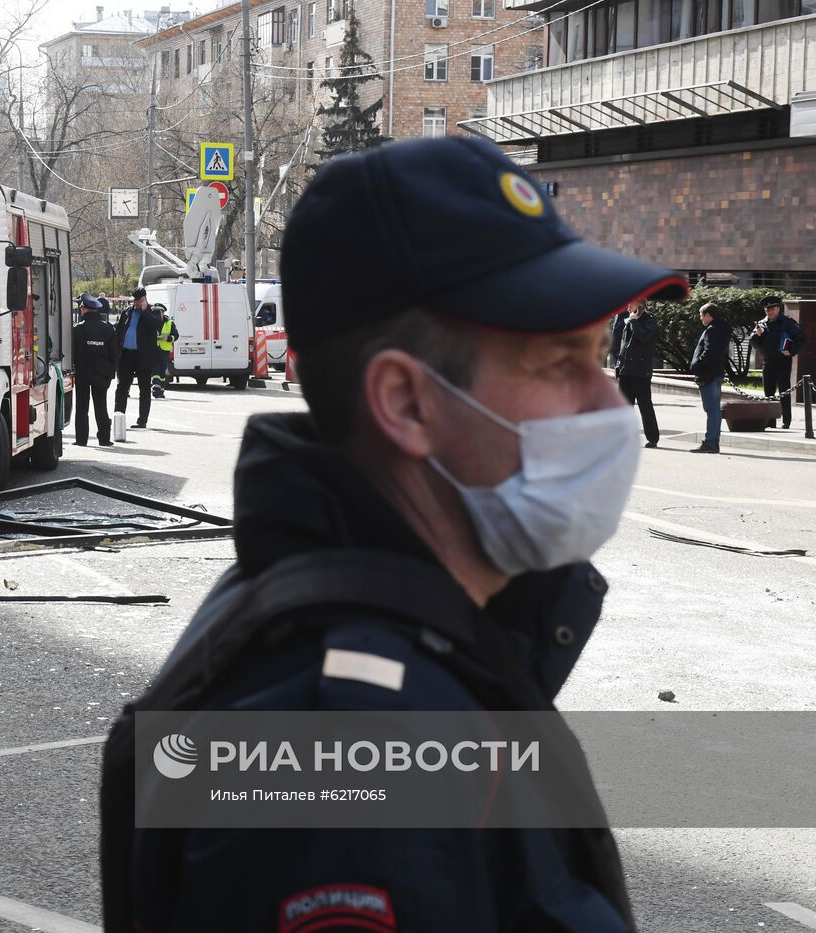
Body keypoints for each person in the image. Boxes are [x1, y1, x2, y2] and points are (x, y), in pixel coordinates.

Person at [103, 137, 690, 932]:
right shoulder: (342, 759)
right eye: (559, 364)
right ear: (406, 403)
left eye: (600, 356)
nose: (610, 407)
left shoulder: (381, 627)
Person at [73, 293, 120, 447]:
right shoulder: (108, 329)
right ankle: (104, 439)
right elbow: (115, 353)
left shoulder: (78, 329)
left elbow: (72, 352)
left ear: (85, 310)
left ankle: (81, 440)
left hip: (83, 373)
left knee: (82, 408)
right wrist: (109, 372)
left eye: (81, 308)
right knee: (101, 406)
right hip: (102, 374)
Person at [752, 295, 805, 429]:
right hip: (768, 361)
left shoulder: (787, 322)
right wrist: (756, 335)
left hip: (783, 361)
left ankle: (786, 421)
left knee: (784, 391)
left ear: (778, 308)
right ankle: (770, 421)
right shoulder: (762, 323)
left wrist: (791, 351)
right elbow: (754, 343)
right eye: (767, 309)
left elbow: (801, 338)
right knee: (768, 392)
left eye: (772, 308)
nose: (769, 312)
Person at [615, 301, 661, 448]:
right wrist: (619, 364)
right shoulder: (629, 319)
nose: (628, 306)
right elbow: (623, 344)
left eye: (631, 304)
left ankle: (653, 438)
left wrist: (634, 322)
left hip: (640, 371)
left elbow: (644, 337)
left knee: (645, 406)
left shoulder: (649, 320)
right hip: (625, 370)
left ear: (639, 306)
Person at [114, 287, 160, 429]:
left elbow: (156, 325)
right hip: (127, 355)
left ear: (144, 299)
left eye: (139, 301)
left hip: (143, 356)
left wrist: (145, 310)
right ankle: (118, 417)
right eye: (134, 301)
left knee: (144, 389)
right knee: (122, 387)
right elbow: (120, 329)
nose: (136, 304)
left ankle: (142, 420)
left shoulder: (154, 311)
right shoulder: (127, 312)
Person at [690, 303, 732, 454]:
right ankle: (714, 441)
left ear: (708, 315)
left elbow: (709, 351)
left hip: (708, 374)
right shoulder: (721, 329)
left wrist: (696, 365)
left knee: (712, 410)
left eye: (701, 315)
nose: (700, 318)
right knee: (714, 410)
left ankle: (711, 442)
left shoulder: (712, 330)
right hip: (716, 373)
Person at [151, 305, 178, 399]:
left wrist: (169, 338)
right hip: (153, 349)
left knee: (162, 371)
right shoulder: (151, 322)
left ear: (163, 313)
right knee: (156, 369)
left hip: (164, 351)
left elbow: (176, 336)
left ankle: (161, 390)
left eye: (160, 313)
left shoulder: (170, 323)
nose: (158, 315)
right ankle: (156, 388)